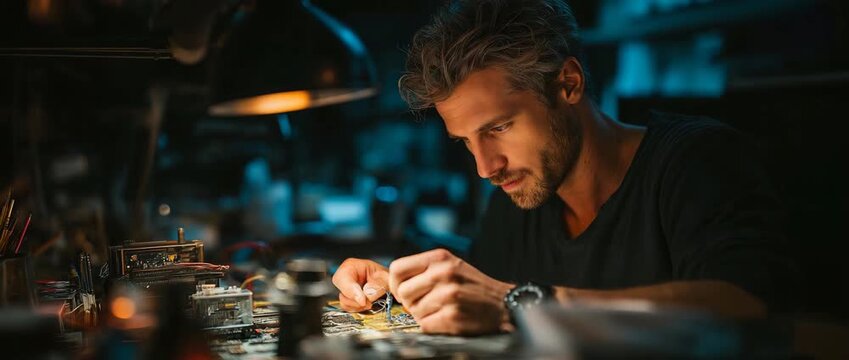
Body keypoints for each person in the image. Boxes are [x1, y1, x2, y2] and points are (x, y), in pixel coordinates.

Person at [332, 0, 797, 335]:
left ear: (568, 85)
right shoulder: (517, 200)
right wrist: (396, 294)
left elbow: (746, 305)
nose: (484, 167)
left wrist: (520, 304)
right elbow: (487, 299)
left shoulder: (697, 161)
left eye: (498, 127)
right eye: (466, 142)